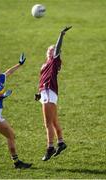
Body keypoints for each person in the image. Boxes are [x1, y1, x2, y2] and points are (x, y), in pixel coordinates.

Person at [35, 26, 72, 161]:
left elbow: (57, 48)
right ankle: (61, 143)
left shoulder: (55, 61)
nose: (51, 50)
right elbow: (43, 79)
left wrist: (61, 35)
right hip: (46, 93)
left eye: (54, 50)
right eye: (49, 49)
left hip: (49, 92)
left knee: (47, 123)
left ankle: (50, 147)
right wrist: (40, 95)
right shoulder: (46, 64)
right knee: (54, 121)